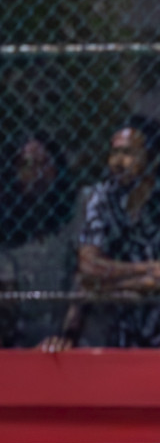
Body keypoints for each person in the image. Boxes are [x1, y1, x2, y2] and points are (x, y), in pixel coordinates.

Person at [62, 117, 160, 349]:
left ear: (153, 159)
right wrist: (147, 269)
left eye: (128, 153)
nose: (117, 162)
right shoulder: (101, 198)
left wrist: (108, 285)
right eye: (114, 153)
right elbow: (88, 266)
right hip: (117, 333)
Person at [0, 133, 77, 348]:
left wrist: (67, 336)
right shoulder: (7, 235)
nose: (37, 173)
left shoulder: (73, 218)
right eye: (27, 165)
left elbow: (81, 284)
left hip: (65, 337)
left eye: (44, 163)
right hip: (18, 341)